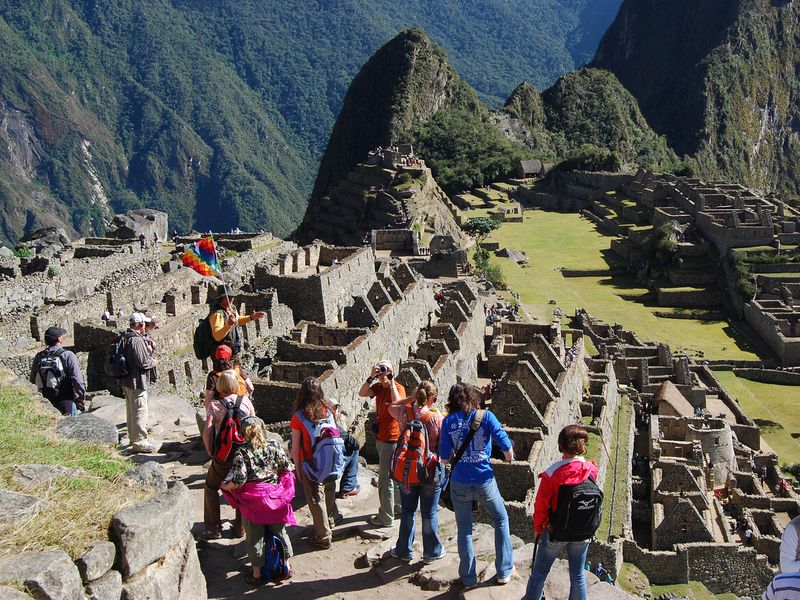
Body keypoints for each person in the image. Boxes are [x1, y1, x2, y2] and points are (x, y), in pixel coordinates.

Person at [440, 384, 514, 589]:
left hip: (460, 481)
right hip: (484, 480)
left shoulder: (448, 422)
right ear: (473, 398)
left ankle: (468, 578)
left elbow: (444, 458)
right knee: (501, 519)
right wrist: (509, 456)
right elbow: (503, 441)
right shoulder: (486, 417)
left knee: (464, 529)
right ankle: (504, 571)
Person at [524, 425, 599, 600]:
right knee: (578, 575)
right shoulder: (591, 469)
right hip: (583, 531)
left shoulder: (553, 474)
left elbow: (541, 506)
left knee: (539, 573)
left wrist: (538, 527)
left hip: (556, 531)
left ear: (561, 447)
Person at [221, 416, 295, 586]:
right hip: (275, 498)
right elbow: (287, 467)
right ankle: (286, 568)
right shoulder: (274, 446)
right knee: (280, 532)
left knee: (255, 537)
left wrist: (225, 486)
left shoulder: (242, 452)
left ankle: (256, 575)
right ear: (262, 429)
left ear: (242, 433)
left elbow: (239, 479)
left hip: (253, 501)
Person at [388, 380, 446, 563]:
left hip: (407, 470)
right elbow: (444, 446)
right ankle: (432, 552)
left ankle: (404, 550)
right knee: (429, 513)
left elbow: (390, 407)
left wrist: (409, 398)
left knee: (408, 511)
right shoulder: (436, 418)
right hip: (429, 471)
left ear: (417, 394)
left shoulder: (404, 412)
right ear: (432, 399)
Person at [202, 370, 255, 539]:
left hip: (224, 454)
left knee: (211, 486)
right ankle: (240, 529)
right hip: (244, 452)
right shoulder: (246, 401)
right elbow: (254, 424)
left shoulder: (215, 405)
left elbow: (208, 431)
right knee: (241, 487)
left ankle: (213, 528)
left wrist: (210, 450)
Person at [290, 377, 338, 549]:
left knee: (315, 498)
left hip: (309, 463)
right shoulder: (329, 410)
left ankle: (323, 536)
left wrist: (297, 468)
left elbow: (295, 448)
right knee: (327, 489)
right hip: (329, 460)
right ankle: (329, 521)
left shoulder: (299, 417)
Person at [358, 360, 405, 527]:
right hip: (381, 437)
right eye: (381, 370)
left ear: (393, 372)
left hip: (391, 439)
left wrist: (390, 382)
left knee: (385, 479)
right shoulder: (377, 388)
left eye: (386, 370)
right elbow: (362, 393)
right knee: (393, 476)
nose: (383, 374)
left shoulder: (397, 387)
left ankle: (386, 517)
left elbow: (398, 402)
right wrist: (371, 377)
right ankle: (398, 508)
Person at [120, 313, 157, 453]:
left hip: (127, 380)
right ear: (140, 324)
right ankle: (140, 441)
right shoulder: (135, 340)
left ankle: (134, 438)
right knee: (140, 410)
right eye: (144, 324)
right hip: (136, 381)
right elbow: (143, 362)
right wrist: (154, 361)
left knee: (131, 410)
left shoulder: (125, 337)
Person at [29, 326, 86, 416]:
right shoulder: (67, 355)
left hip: (45, 401)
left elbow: (32, 380)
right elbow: (77, 380)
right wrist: (81, 397)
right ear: (59, 339)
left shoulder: (39, 356)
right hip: (65, 400)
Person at [207, 284, 266, 358]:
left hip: (232, 351)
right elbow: (217, 336)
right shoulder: (217, 314)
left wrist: (251, 317)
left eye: (232, 296)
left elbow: (237, 320)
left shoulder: (231, 309)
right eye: (228, 297)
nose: (231, 299)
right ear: (221, 298)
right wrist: (229, 324)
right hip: (222, 354)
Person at [204, 345, 254, 409]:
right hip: (242, 407)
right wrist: (248, 400)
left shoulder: (213, 376)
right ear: (229, 357)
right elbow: (251, 388)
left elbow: (208, 400)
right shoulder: (237, 368)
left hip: (224, 410)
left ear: (215, 357)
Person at [329, 398, 360, 499]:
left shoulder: (316, 422)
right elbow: (354, 443)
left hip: (314, 464)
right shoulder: (334, 428)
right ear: (334, 411)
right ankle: (348, 487)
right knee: (354, 449)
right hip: (330, 467)